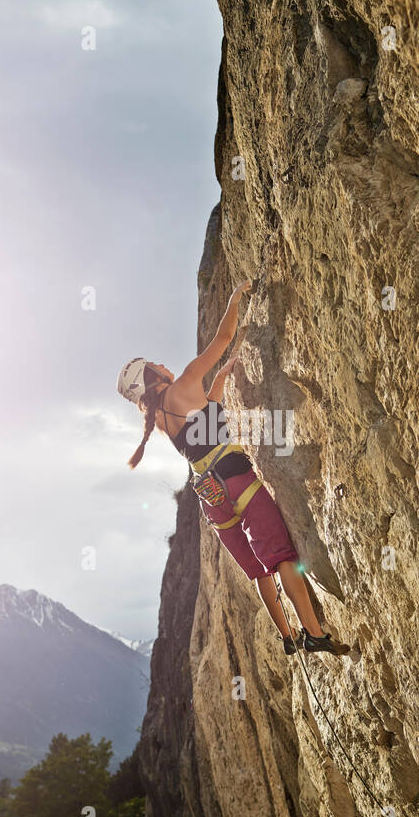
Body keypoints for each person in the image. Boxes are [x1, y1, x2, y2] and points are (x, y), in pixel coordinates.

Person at [117, 280, 349, 656]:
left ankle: (287, 637)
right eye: (154, 364)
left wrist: (220, 384)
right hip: (237, 479)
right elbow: (224, 338)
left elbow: (201, 423)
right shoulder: (187, 380)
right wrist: (233, 299)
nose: (163, 364)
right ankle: (314, 632)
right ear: (151, 377)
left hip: (212, 500)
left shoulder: (159, 417)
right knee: (281, 557)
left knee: (259, 571)